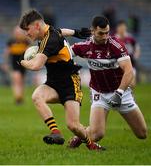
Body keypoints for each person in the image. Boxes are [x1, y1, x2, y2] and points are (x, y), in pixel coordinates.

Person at [19, 9, 104, 150]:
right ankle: (56, 132)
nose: (26, 33)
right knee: (37, 96)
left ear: (37, 26)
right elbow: (61, 31)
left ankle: (92, 145)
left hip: (70, 84)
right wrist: (76, 32)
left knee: (73, 126)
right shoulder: (50, 32)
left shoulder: (50, 40)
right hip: (53, 83)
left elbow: (36, 65)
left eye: (27, 29)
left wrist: (22, 62)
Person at [68, 16, 147, 148]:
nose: (105, 36)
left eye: (107, 32)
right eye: (101, 33)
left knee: (142, 134)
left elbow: (129, 71)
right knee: (97, 134)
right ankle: (81, 136)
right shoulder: (85, 46)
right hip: (99, 93)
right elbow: (64, 53)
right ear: (92, 31)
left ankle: (81, 134)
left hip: (121, 92)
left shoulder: (116, 46)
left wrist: (119, 93)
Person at [4, 26, 31, 104]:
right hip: (14, 64)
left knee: (21, 81)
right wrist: (5, 63)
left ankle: (20, 98)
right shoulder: (11, 42)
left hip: (23, 64)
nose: (18, 34)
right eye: (16, 32)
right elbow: (7, 53)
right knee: (17, 79)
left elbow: (29, 51)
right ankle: (17, 97)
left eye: (19, 32)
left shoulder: (26, 41)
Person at [115, 20, 141, 87]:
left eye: (123, 27)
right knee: (119, 83)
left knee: (132, 84)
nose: (122, 29)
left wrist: (136, 56)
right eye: (120, 27)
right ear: (117, 28)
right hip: (118, 63)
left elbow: (137, 47)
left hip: (130, 62)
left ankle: (129, 96)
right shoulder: (114, 38)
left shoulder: (130, 38)